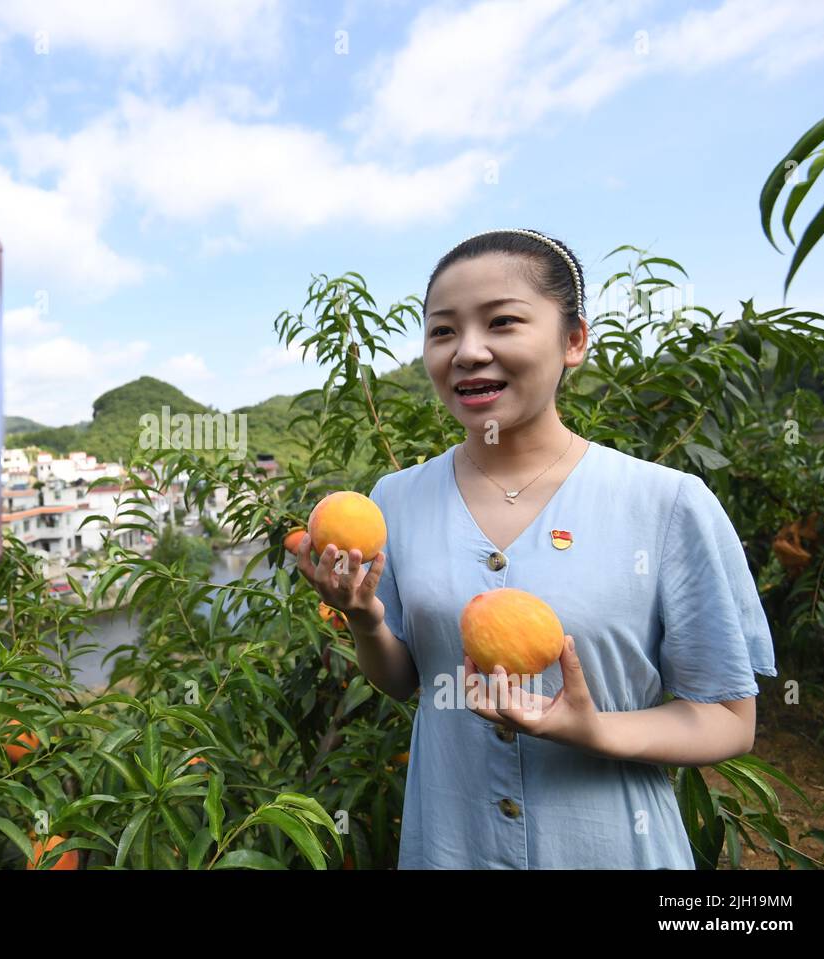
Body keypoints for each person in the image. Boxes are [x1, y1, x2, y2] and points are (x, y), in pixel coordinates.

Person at [296, 228, 777, 869]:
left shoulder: (666, 504)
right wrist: (364, 619)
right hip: (452, 847)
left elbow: (727, 718)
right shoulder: (397, 499)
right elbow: (405, 679)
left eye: (502, 322)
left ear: (573, 339)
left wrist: (596, 728)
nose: (468, 351)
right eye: (442, 331)